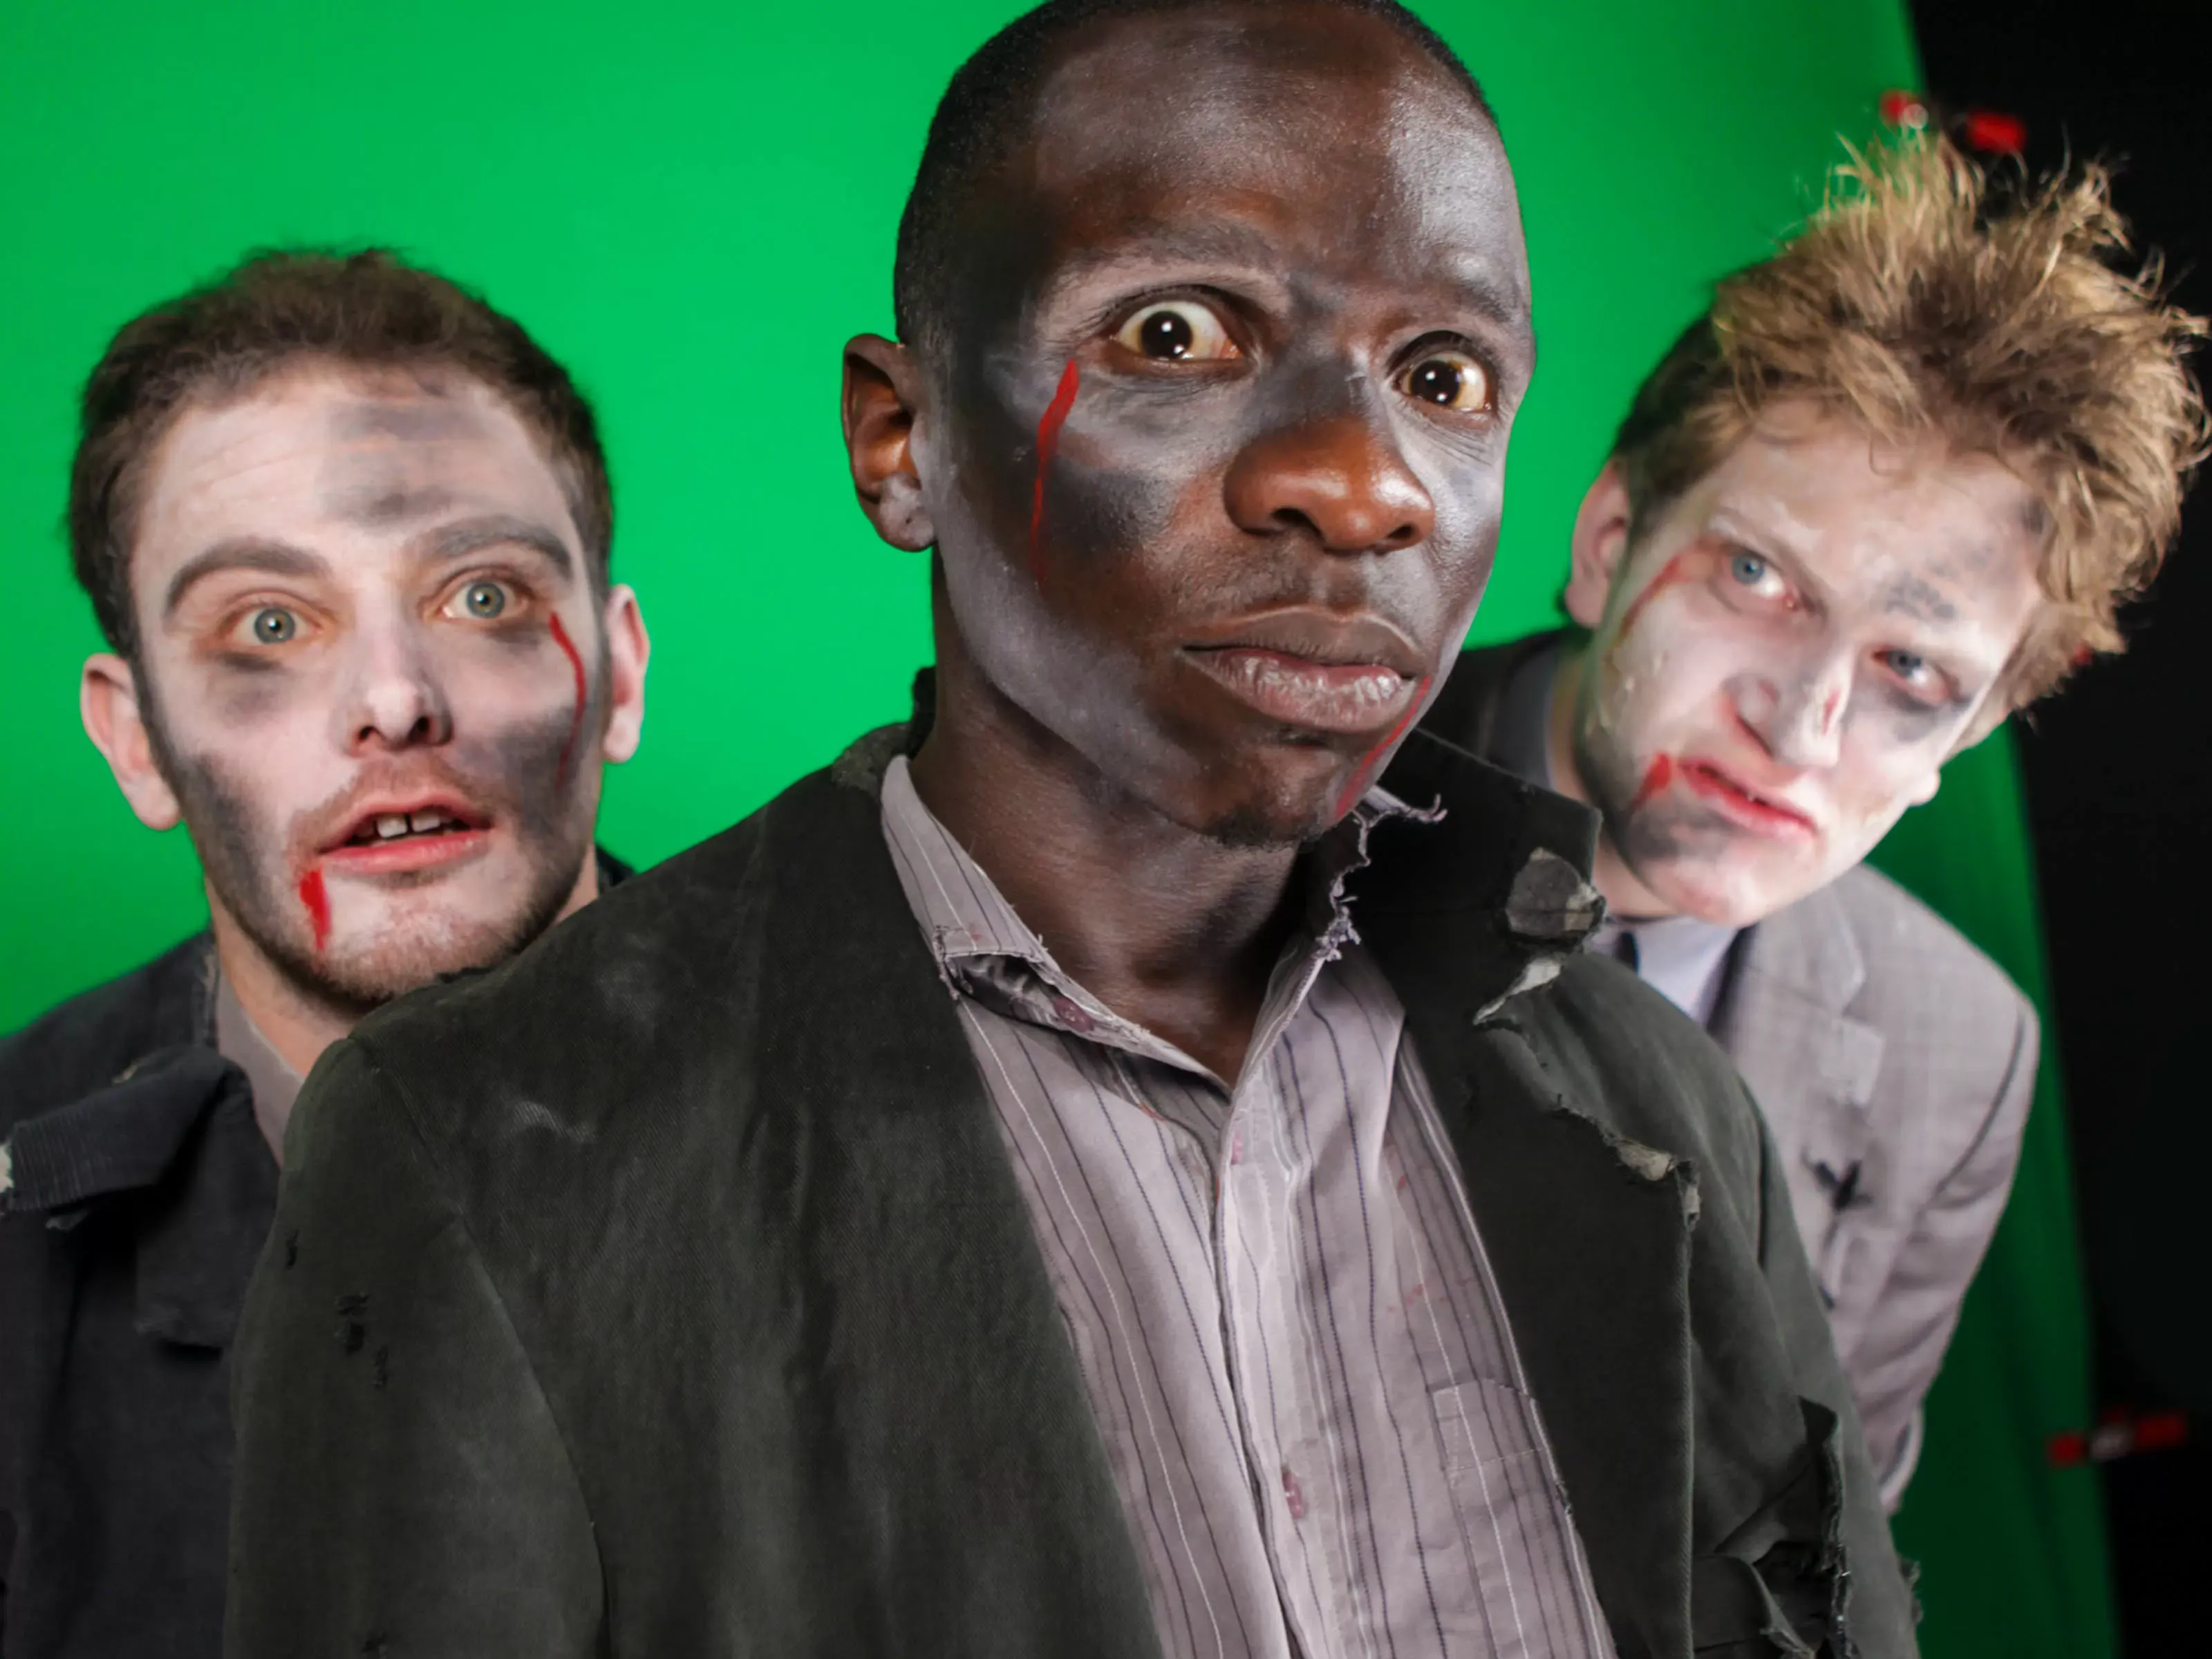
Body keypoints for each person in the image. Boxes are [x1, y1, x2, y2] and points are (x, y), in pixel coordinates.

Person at [225, 3, 1914, 1653]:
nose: (1363, 482)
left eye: (1442, 374)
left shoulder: (1663, 1115)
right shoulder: (481, 1149)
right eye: (1173, 336)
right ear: (901, 440)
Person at [1420, 138, 2204, 1507]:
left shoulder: (1959, 1054)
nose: (1799, 730)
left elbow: (1824, 1544)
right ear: (1609, 542)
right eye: (1757, 577)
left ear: (1965, 739)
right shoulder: (1271, 800)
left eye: (1912, 671)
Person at [0, 250, 650, 1658]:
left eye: (482, 597)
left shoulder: (939, 1132)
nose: (395, 702)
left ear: (620, 673)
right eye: (271, 625)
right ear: (136, 741)